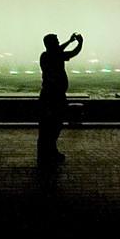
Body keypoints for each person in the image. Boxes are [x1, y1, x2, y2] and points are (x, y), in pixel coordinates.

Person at [38, 32, 83, 164]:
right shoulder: (53, 56)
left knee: (50, 126)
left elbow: (60, 50)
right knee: (54, 126)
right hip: (54, 97)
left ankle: (48, 153)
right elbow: (73, 53)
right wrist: (80, 43)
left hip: (49, 96)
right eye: (56, 41)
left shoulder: (46, 55)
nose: (58, 42)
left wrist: (70, 41)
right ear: (50, 44)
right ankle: (49, 153)